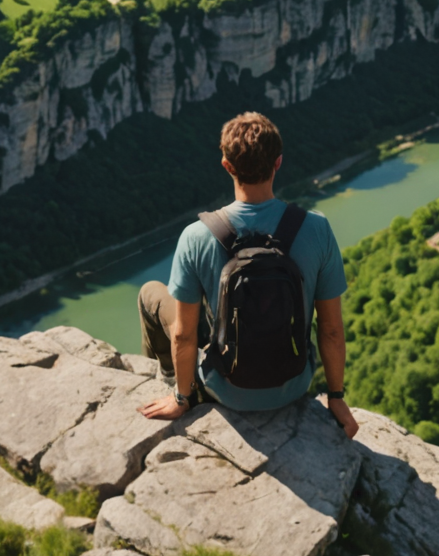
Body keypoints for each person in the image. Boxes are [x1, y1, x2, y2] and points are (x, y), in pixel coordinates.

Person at [136, 112, 358, 438]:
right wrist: (336, 398)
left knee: (150, 293)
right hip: (292, 386)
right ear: (278, 163)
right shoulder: (317, 229)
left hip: (225, 389)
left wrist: (182, 398)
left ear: (227, 165)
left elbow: (183, 335)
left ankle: (173, 380)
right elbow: (331, 330)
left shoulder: (196, 237)